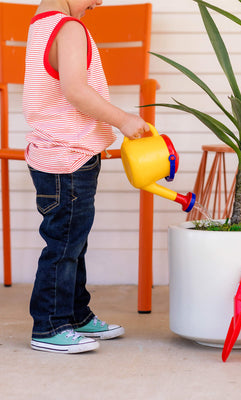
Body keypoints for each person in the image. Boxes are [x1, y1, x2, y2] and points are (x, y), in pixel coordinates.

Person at [22, 0, 149, 354]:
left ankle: (75, 314)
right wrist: (123, 120)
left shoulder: (41, 24)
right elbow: (76, 91)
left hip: (60, 154)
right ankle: (49, 326)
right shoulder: (69, 28)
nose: (99, 2)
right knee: (64, 246)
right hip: (68, 158)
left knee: (72, 242)